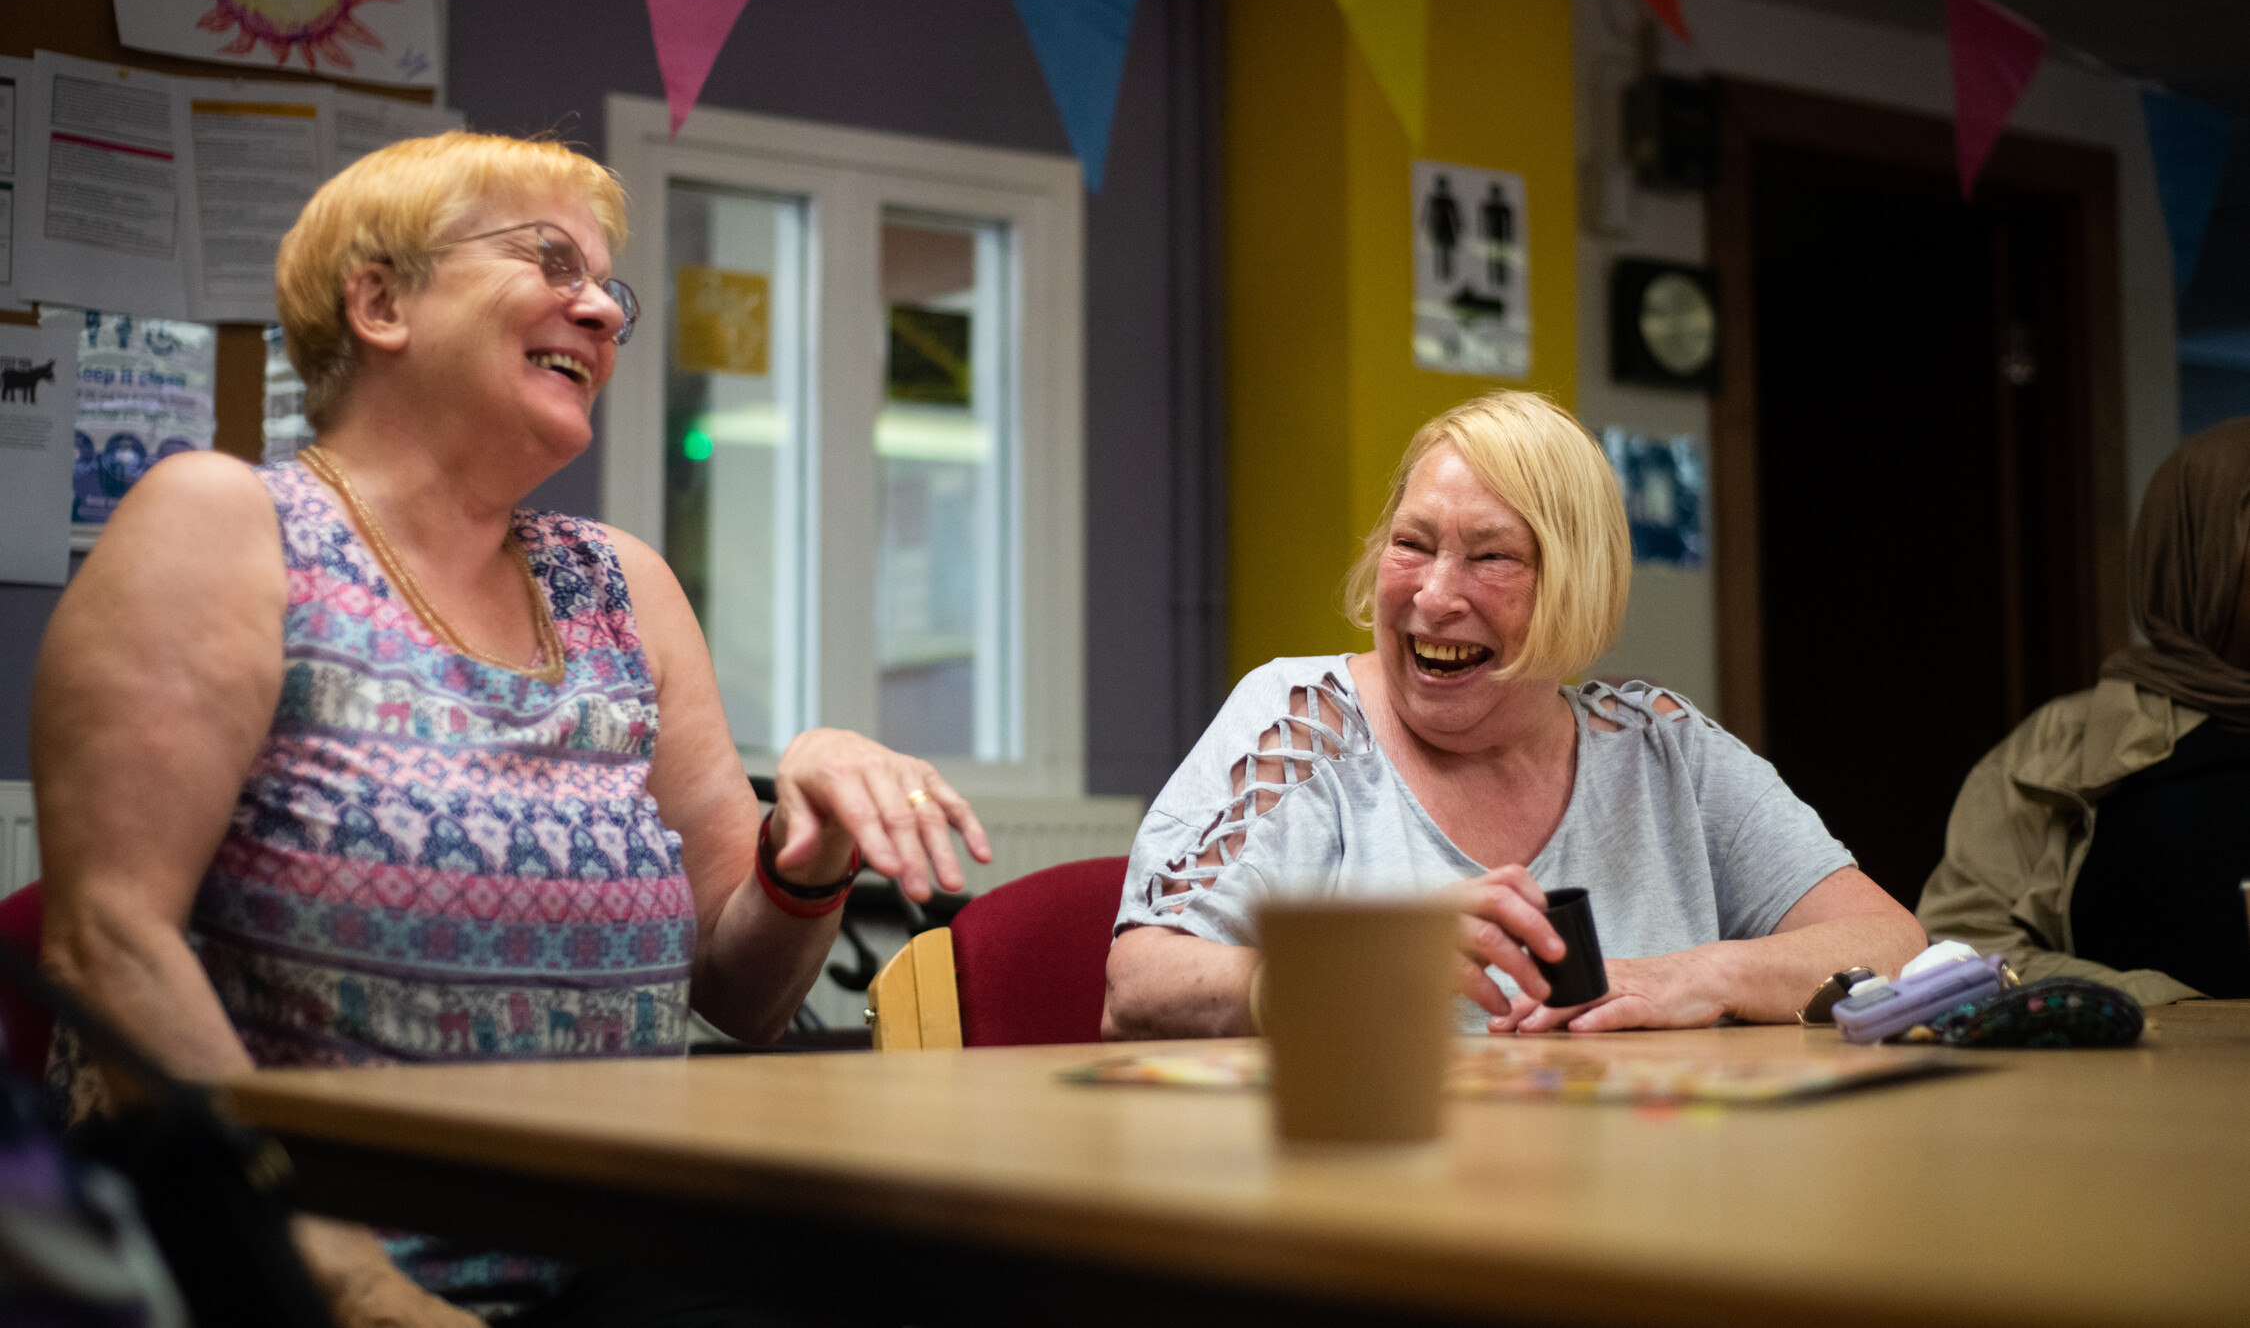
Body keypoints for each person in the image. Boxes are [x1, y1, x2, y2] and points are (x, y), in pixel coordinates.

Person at [31, 132, 988, 1325]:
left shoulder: (621, 584)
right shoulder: (225, 523)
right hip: (276, 1248)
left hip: (600, 1239)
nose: (599, 311)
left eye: (610, 288)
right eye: (550, 259)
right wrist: (348, 1278)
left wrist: (812, 854)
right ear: (380, 301)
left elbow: (739, 994)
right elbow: (107, 941)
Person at [1103, 390, 1923, 1040]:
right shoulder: (1301, 724)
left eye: (1490, 556)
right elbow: (1136, 987)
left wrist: (1688, 978)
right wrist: (1353, 966)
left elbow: (1891, 944)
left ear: (1576, 581)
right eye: (1412, 544)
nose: (1433, 595)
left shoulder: (1661, 746)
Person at [1919, 419, 2250, 1005]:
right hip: (2135, 1081)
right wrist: (2166, 1005)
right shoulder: (2065, 743)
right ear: (2199, 555)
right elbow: (1962, 946)